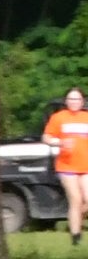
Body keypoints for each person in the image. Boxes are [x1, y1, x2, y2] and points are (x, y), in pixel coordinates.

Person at [47, 88, 88, 243]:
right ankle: (75, 236)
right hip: (67, 166)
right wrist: (60, 142)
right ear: (66, 101)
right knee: (76, 199)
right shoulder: (58, 118)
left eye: (77, 99)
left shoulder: (86, 117)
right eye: (71, 99)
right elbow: (47, 137)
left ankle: (74, 218)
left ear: (82, 101)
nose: (74, 102)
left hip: (86, 165)